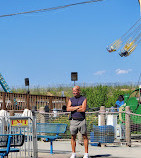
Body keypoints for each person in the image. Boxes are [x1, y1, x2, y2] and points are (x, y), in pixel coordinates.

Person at [67, 86, 88, 158]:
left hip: (82, 120)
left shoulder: (83, 98)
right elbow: (68, 108)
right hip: (73, 120)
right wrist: (77, 107)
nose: (74, 92)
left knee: (84, 136)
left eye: (75, 91)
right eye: (73, 91)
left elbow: (83, 109)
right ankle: (73, 153)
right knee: (73, 137)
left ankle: (86, 153)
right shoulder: (71, 99)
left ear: (79, 91)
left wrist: (73, 108)